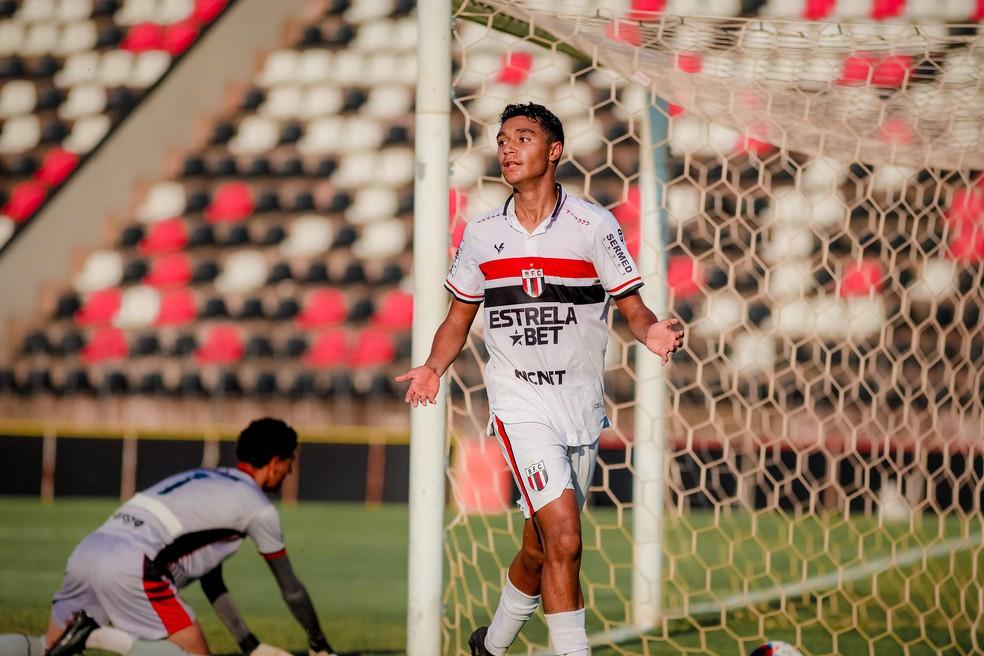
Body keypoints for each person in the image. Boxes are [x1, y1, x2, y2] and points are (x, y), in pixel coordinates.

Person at [395, 102, 684, 656]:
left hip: (579, 408)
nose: (507, 148)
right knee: (568, 540)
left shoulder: (593, 226)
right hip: (519, 406)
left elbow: (633, 307)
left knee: (540, 548)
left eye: (522, 137)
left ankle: (490, 647)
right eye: (502, 139)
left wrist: (651, 333)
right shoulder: (481, 234)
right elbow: (459, 318)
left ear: (553, 151)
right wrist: (433, 368)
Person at [0, 418, 336, 656]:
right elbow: (290, 589)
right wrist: (319, 644)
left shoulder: (204, 476)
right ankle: (97, 637)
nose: (291, 471)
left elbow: (210, 578)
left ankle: (83, 636)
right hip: (133, 565)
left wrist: (249, 644)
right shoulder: (258, 509)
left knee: (48, 648)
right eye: (290, 462)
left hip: (90, 549)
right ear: (275, 462)